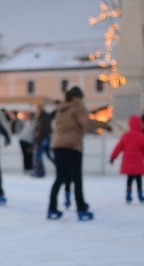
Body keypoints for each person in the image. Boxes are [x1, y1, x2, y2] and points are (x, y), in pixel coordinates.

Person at [47, 86, 111, 221]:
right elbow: (86, 123)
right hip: (72, 146)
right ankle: (81, 209)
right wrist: (105, 125)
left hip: (58, 146)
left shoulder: (61, 109)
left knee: (60, 178)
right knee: (76, 179)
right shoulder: (78, 108)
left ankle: (52, 208)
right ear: (80, 97)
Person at [109, 115, 144, 204]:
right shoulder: (143, 137)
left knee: (129, 179)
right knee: (138, 180)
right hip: (138, 163)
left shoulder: (126, 136)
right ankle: (140, 195)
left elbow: (118, 148)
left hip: (128, 162)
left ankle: (128, 195)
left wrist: (112, 158)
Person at [31, 105, 54, 177]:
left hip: (42, 138)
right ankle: (62, 169)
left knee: (38, 156)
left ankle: (39, 172)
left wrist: (37, 141)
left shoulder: (41, 117)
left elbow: (41, 130)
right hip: (47, 137)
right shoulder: (46, 117)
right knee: (48, 155)